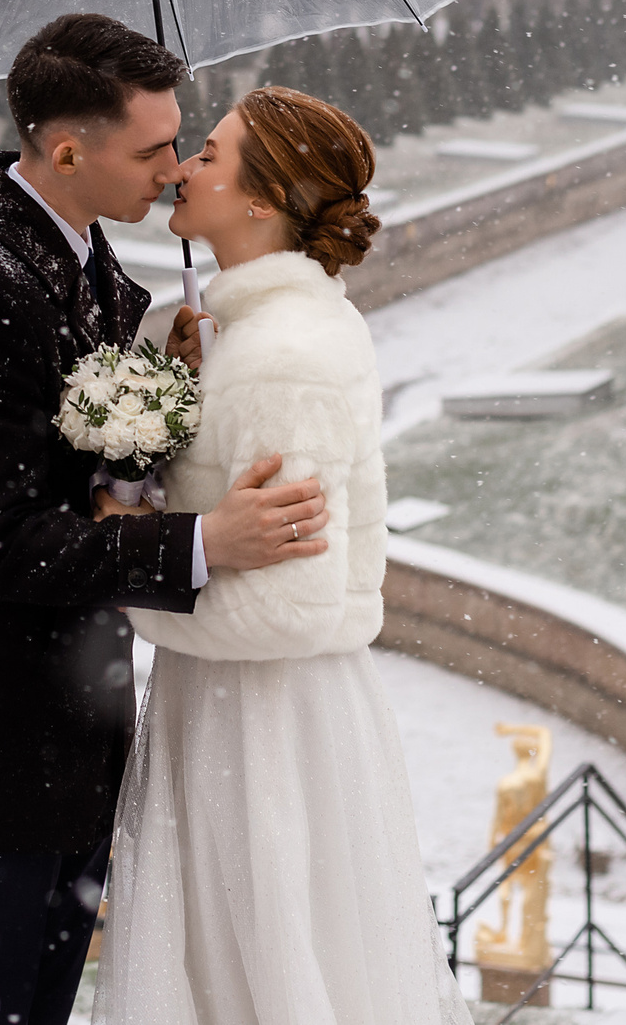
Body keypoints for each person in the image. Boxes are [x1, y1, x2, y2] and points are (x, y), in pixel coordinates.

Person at [0, 15, 332, 1025]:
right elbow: (2, 545)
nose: (175, 170)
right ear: (67, 148)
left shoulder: (92, 270)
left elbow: (91, 476)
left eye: (181, 142)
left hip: (77, 731)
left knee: (37, 1009)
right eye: (154, 147)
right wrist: (208, 543)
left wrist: (170, 386)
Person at [94, 85, 472, 1025]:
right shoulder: (254, 336)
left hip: (257, 721)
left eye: (210, 155)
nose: (183, 165)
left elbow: (287, 606)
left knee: (261, 972)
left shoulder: (282, 357)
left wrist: (126, 577)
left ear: (262, 201)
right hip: (240, 704)